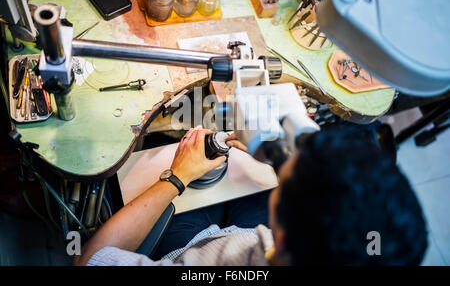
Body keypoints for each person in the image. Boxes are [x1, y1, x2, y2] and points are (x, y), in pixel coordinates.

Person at [73, 126, 428, 266]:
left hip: (201, 247)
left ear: (282, 237)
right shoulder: (376, 254)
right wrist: (281, 160)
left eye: (284, 171)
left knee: (152, 148)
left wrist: (177, 176)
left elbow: (89, 260)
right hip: (250, 240)